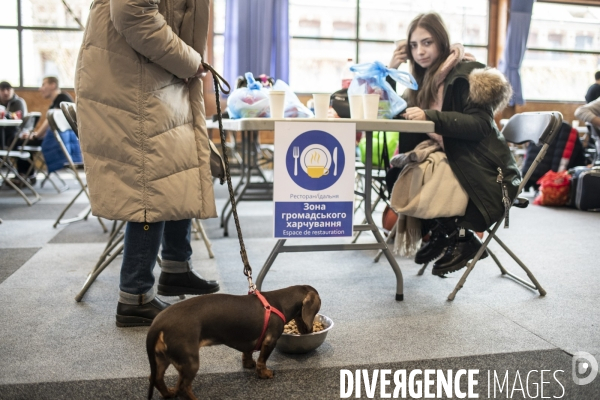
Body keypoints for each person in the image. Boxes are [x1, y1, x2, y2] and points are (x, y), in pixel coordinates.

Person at [75, 0, 219, 327]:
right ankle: (135, 295)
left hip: (153, 77)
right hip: (132, 81)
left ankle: (176, 268)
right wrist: (190, 60)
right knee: (148, 182)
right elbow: (132, 13)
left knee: (178, 168)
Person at [387, 12, 520, 276]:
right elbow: (391, 108)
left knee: (413, 173)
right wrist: (393, 68)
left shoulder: (464, 75)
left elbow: (480, 125)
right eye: (413, 45)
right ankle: (446, 230)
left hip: (485, 166)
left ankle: (460, 236)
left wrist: (430, 116)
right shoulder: (423, 81)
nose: (420, 51)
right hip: (457, 155)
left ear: (441, 41)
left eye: (427, 42)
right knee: (397, 172)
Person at [0, 80, 28, 147]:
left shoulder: (19, 102)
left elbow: (22, 121)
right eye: (2, 90)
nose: (5, 92)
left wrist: (7, 114)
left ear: (13, 90)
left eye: (8, 89)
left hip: (16, 132)